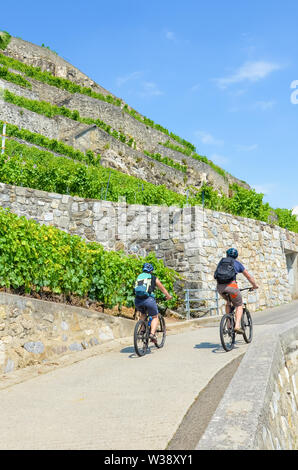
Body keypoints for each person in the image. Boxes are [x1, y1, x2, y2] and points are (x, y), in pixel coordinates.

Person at [214, 248, 258, 334]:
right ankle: (237, 326)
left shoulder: (222, 262)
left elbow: (216, 274)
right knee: (239, 305)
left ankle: (229, 325)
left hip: (220, 288)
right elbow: (248, 276)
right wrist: (254, 285)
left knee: (228, 302)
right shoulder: (237, 263)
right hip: (232, 288)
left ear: (227, 255)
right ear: (236, 256)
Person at [134, 263, 172, 343]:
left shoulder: (139, 277)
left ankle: (141, 331)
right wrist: (168, 296)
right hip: (149, 300)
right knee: (155, 317)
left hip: (137, 300)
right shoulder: (153, 278)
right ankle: (152, 334)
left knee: (143, 314)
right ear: (151, 271)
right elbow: (163, 289)